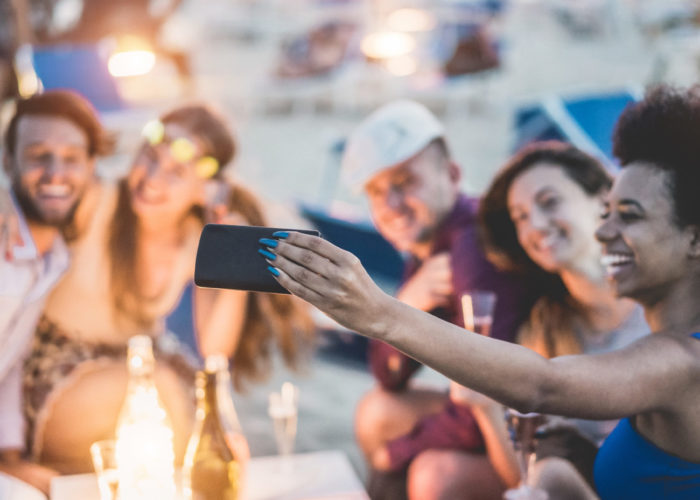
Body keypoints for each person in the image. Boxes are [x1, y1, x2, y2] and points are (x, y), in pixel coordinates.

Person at [261, 85, 700, 499]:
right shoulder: (557, 318)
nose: (604, 232)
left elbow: (543, 385)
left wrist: (382, 312)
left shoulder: (681, 361)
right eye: (607, 214)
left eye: (629, 216)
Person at [18, 104, 314, 473]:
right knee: (166, 396)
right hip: (51, 371)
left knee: (222, 437)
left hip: (129, 365)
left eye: (176, 171)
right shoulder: (97, 199)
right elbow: (31, 192)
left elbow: (215, 350)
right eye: (149, 156)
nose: (152, 177)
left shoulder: (195, 239)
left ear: (206, 190)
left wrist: (234, 255)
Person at [340, 100, 534, 499]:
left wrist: (399, 451)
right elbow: (388, 376)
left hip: (534, 423)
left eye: (405, 182)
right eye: (376, 192)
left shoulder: (471, 251)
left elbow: (487, 389)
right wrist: (404, 303)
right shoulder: (431, 243)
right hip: (499, 406)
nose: (390, 206)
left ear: (453, 174)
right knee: (376, 412)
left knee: (433, 476)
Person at [452, 141, 648, 497]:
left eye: (549, 202)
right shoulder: (543, 332)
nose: (536, 226)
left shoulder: (663, 303)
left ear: (604, 199)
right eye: (521, 217)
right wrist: (484, 407)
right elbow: (525, 476)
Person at [0, 90, 110, 493]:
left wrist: (11, 456)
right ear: (8, 161)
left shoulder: (55, 257)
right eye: (38, 155)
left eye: (71, 159)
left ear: (91, 167)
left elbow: (8, 362)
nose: (55, 173)